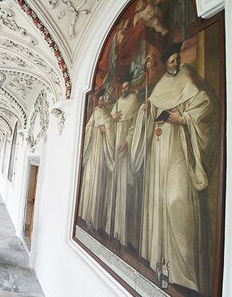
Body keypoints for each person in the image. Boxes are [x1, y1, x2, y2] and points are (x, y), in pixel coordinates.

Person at [130, 41, 217, 294]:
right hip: (159, 150)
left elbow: (206, 103)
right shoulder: (158, 87)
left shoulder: (188, 77)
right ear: (164, 62)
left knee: (177, 200)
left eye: (177, 59)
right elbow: (153, 112)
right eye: (171, 61)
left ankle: (185, 274)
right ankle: (161, 262)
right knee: (158, 201)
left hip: (179, 147)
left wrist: (185, 118)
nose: (175, 63)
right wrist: (146, 111)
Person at [103, 73, 141, 249]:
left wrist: (127, 140)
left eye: (127, 86)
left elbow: (136, 125)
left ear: (130, 86)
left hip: (125, 150)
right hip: (114, 151)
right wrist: (113, 119)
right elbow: (107, 124)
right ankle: (112, 231)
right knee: (114, 189)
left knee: (125, 190)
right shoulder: (117, 102)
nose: (125, 89)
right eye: (123, 87)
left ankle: (123, 235)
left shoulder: (135, 100)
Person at [78, 90, 114, 232]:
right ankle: (86, 213)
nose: (101, 102)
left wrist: (106, 129)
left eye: (103, 100)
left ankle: (94, 218)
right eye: (100, 100)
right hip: (92, 151)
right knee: (88, 181)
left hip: (101, 153)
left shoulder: (107, 114)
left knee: (98, 182)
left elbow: (110, 131)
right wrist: (94, 128)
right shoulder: (95, 112)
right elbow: (88, 127)